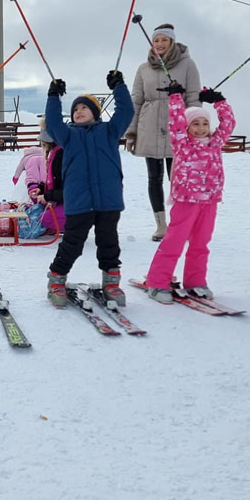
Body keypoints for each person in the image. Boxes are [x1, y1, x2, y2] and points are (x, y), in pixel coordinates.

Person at [44, 71, 134, 306]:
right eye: (75, 109)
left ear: (95, 112)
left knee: (109, 243)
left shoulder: (110, 131)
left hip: (108, 200)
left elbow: (126, 112)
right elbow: (53, 123)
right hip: (79, 201)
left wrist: (119, 87)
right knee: (72, 243)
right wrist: (53, 96)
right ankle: (56, 278)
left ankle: (111, 282)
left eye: (84, 108)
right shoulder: (68, 136)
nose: (79, 111)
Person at [145, 85, 235, 302]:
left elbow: (228, 124)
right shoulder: (182, 143)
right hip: (186, 200)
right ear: (187, 126)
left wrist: (219, 101)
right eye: (195, 123)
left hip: (210, 200)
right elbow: (175, 123)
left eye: (205, 123)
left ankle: (196, 281)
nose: (201, 128)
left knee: (201, 243)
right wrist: (176, 98)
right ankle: (157, 282)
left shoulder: (215, 143)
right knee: (175, 241)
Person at [124, 23, 201, 241]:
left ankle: (181, 223)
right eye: (156, 40)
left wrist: (195, 130)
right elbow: (136, 100)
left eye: (163, 40)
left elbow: (193, 98)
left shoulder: (188, 65)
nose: (159, 44)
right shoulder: (143, 68)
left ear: (172, 42)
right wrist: (131, 132)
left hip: (177, 127)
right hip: (149, 125)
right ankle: (161, 226)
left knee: (178, 179)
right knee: (154, 178)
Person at [37, 121, 65, 234]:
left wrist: (47, 196)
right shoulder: (56, 153)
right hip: (64, 197)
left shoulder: (62, 156)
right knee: (37, 200)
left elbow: (70, 190)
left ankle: (72, 225)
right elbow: (56, 181)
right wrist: (41, 189)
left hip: (78, 203)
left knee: (45, 218)